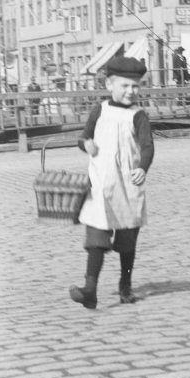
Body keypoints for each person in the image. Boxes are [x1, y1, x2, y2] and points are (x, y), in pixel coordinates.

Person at [70, 56, 154, 309]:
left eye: (135, 86)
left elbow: (147, 146)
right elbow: (84, 136)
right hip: (101, 183)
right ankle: (90, 289)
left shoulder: (138, 115)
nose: (131, 91)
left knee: (127, 239)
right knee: (96, 236)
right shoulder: (100, 110)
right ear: (110, 84)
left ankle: (125, 285)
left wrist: (142, 167)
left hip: (127, 185)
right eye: (125, 86)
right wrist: (86, 144)